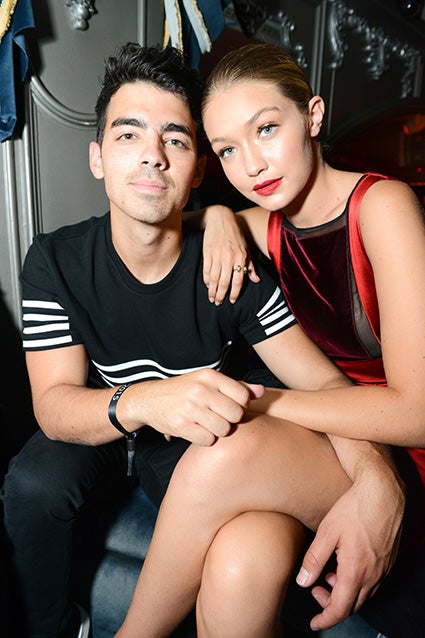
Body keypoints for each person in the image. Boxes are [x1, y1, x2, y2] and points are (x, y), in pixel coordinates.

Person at [0, 41, 400, 638]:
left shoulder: (231, 266)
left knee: (245, 548)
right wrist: (147, 400)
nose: (153, 155)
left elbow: (325, 384)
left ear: (197, 170)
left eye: (176, 140)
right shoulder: (55, 260)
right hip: (109, 417)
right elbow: (54, 405)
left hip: (190, 444)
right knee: (34, 483)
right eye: (128, 135)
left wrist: (376, 475)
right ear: (97, 157)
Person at [110, 51, 424, 638]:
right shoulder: (265, 223)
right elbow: (173, 226)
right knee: (240, 554)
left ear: (313, 115)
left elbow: (418, 412)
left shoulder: (383, 206)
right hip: (332, 437)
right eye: (227, 150)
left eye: (267, 129)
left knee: (224, 449)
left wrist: (268, 403)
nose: (252, 164)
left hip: (403, 449)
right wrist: (220, 215)